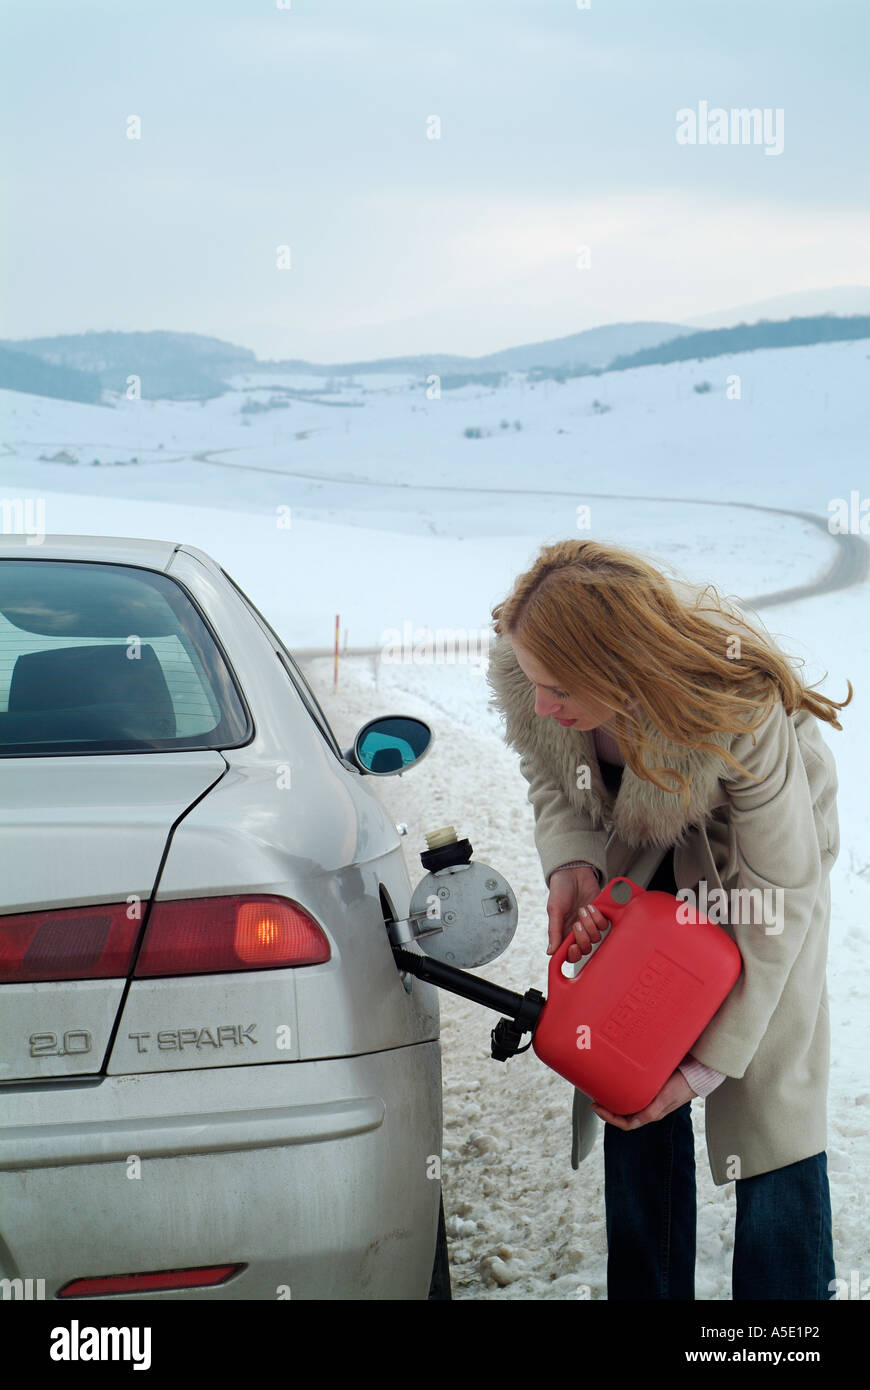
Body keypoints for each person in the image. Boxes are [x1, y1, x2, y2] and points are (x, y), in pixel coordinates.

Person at [485, 538, 851, 1300]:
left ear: (616, 668)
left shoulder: (733, 699)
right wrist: (575, 859)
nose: (542, 702)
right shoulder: (534, 672)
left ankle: (783, 1322)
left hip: (758, 862)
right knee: (623, 1052)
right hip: (638, 833)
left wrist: (701, 1070)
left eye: (559, 689)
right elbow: (547, 765)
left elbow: (778, 893)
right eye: (534, 684)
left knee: (770, 1085)